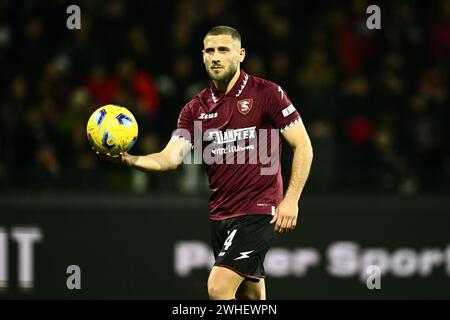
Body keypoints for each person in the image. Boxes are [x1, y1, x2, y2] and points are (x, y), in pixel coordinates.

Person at [101, 26, 313, 300]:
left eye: (223, 50)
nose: (216, 57)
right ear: (202, 56)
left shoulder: (267, 93)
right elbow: (169, 158)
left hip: (259, 211)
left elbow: (303, 146)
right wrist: (130, 159)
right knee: (251, 296)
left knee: (218, 287)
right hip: (220, 215)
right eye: (210, 50)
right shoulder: (194, 109)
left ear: (240, 54)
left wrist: (291, 199)